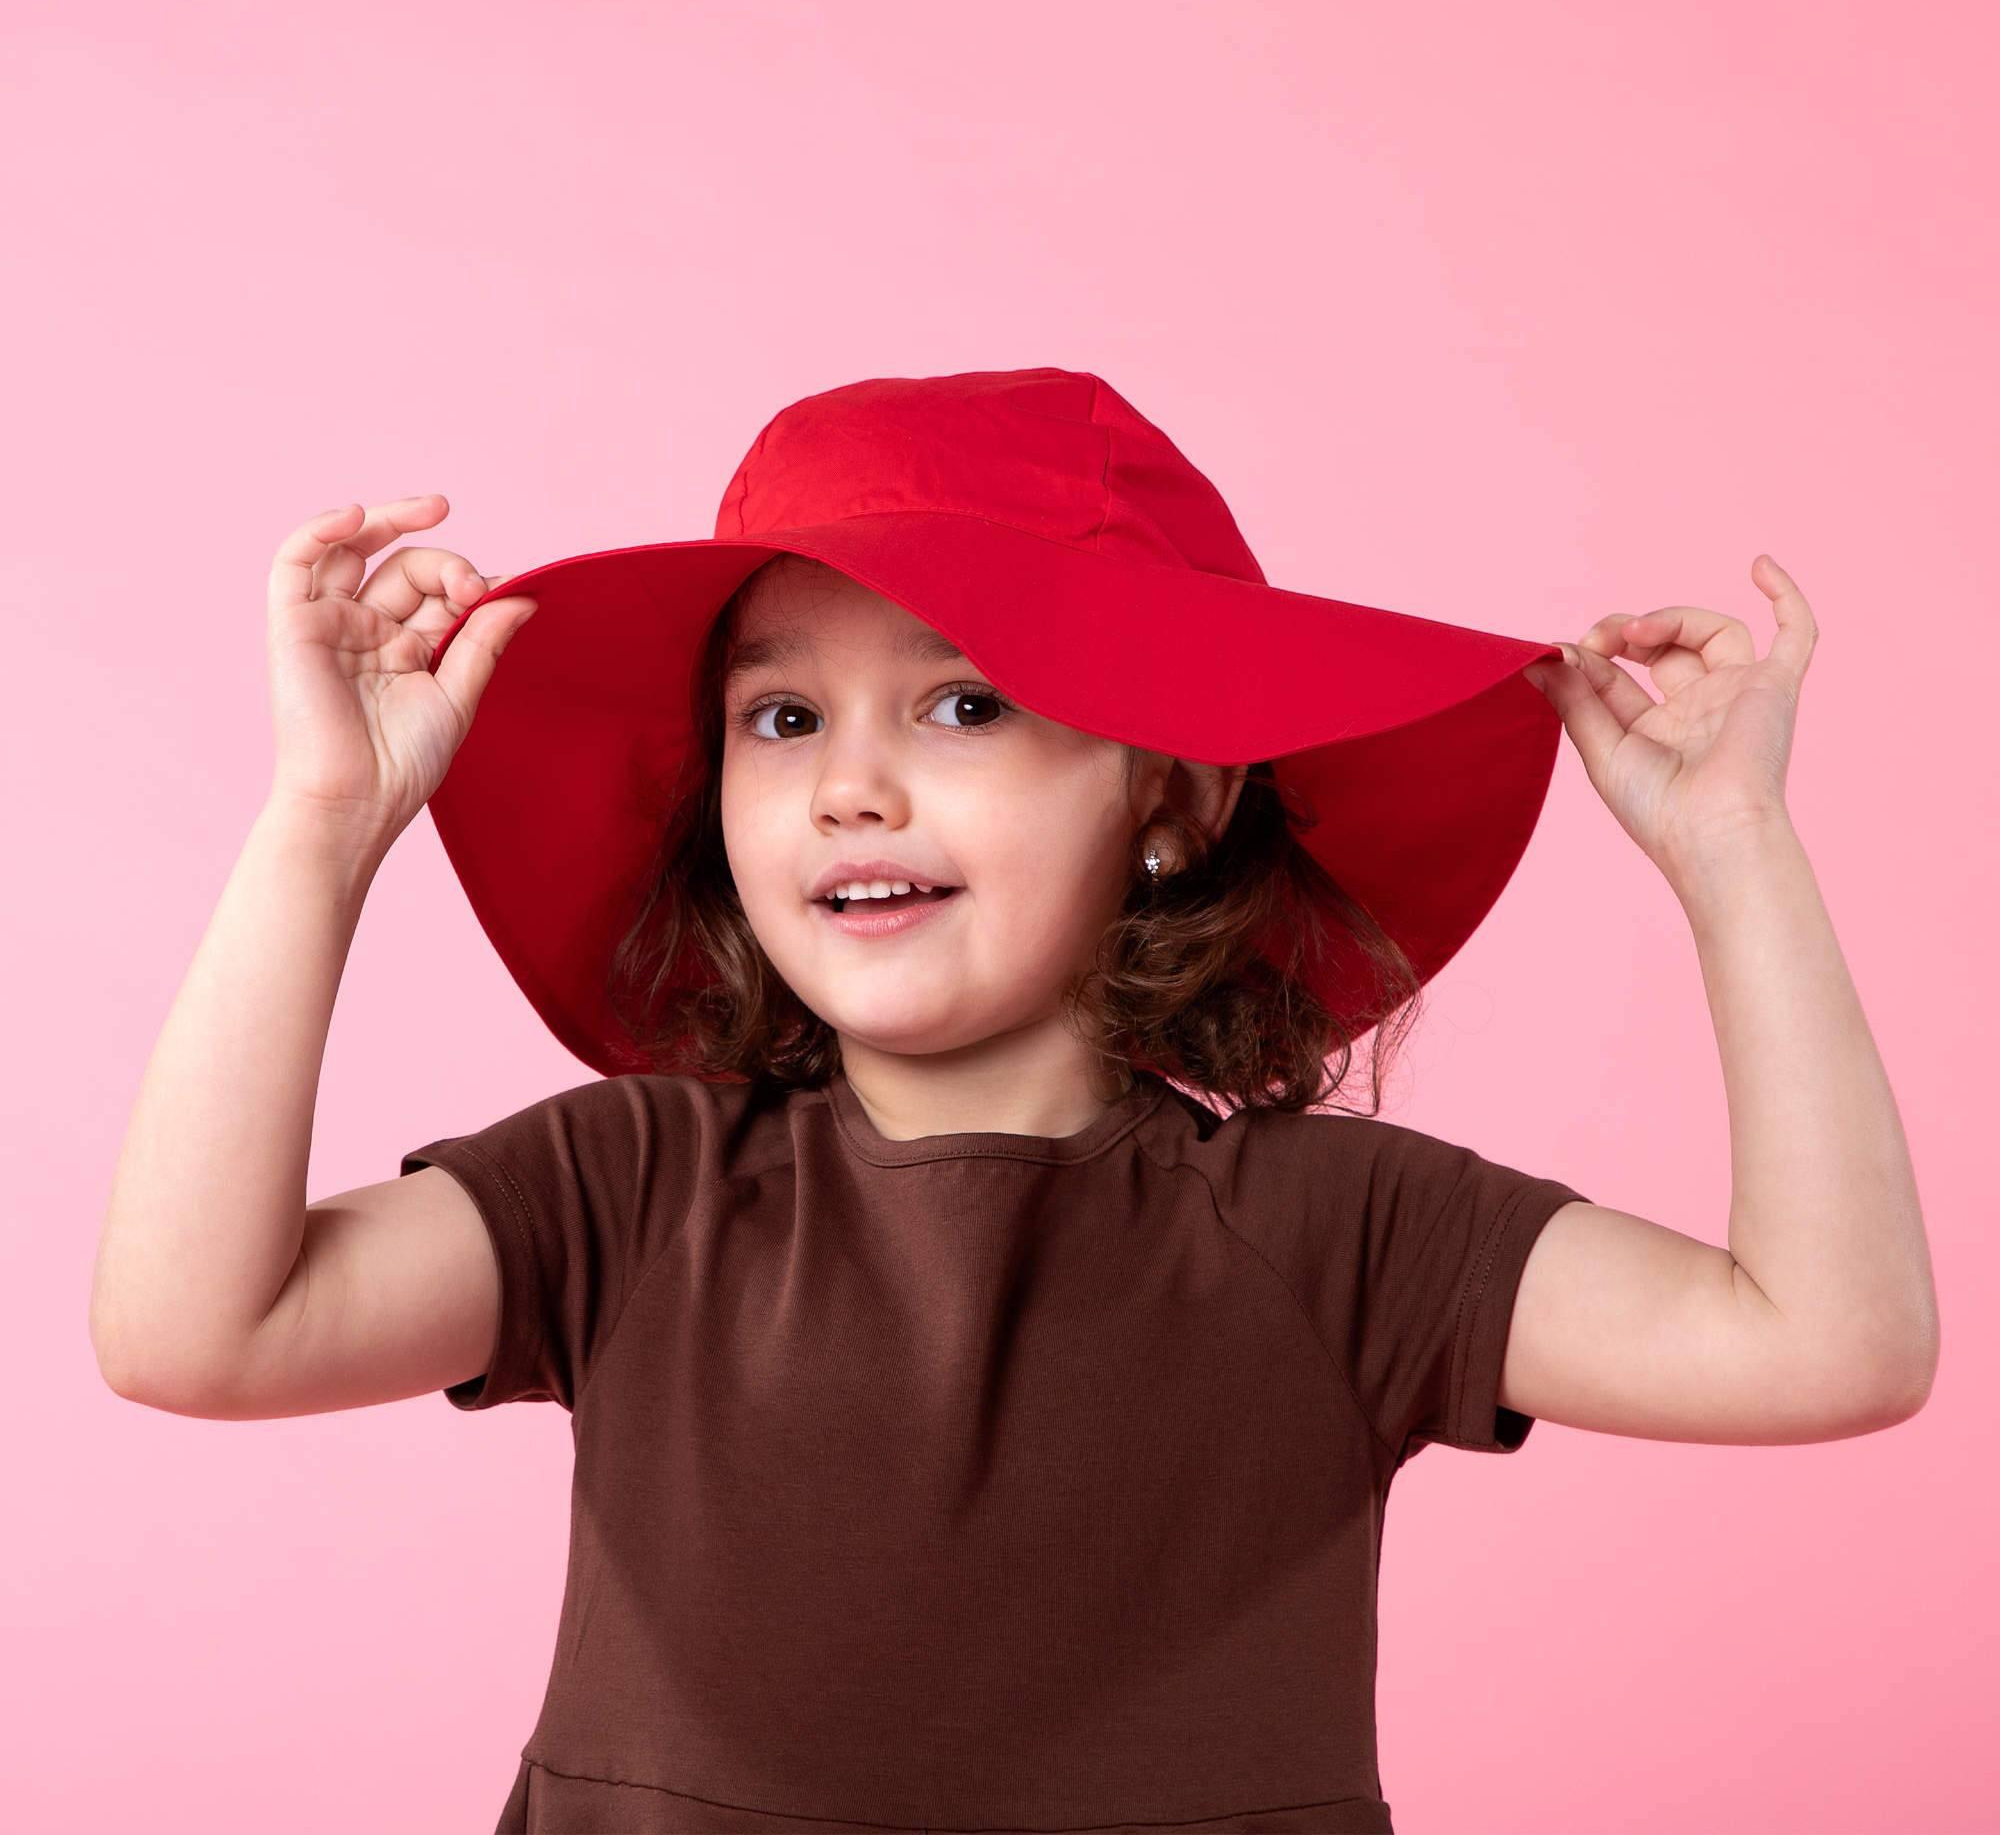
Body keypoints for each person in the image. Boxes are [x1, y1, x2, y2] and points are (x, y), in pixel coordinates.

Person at [90, 369, 1938, 1835]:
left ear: (1174, 799)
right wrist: (323, 830)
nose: (853, 790)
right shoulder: (636, 1188)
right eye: (783, 717)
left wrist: (1737, 856)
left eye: (964, 706)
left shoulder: (1337, 1237)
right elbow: (196, 1332)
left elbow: (1832, 1347)